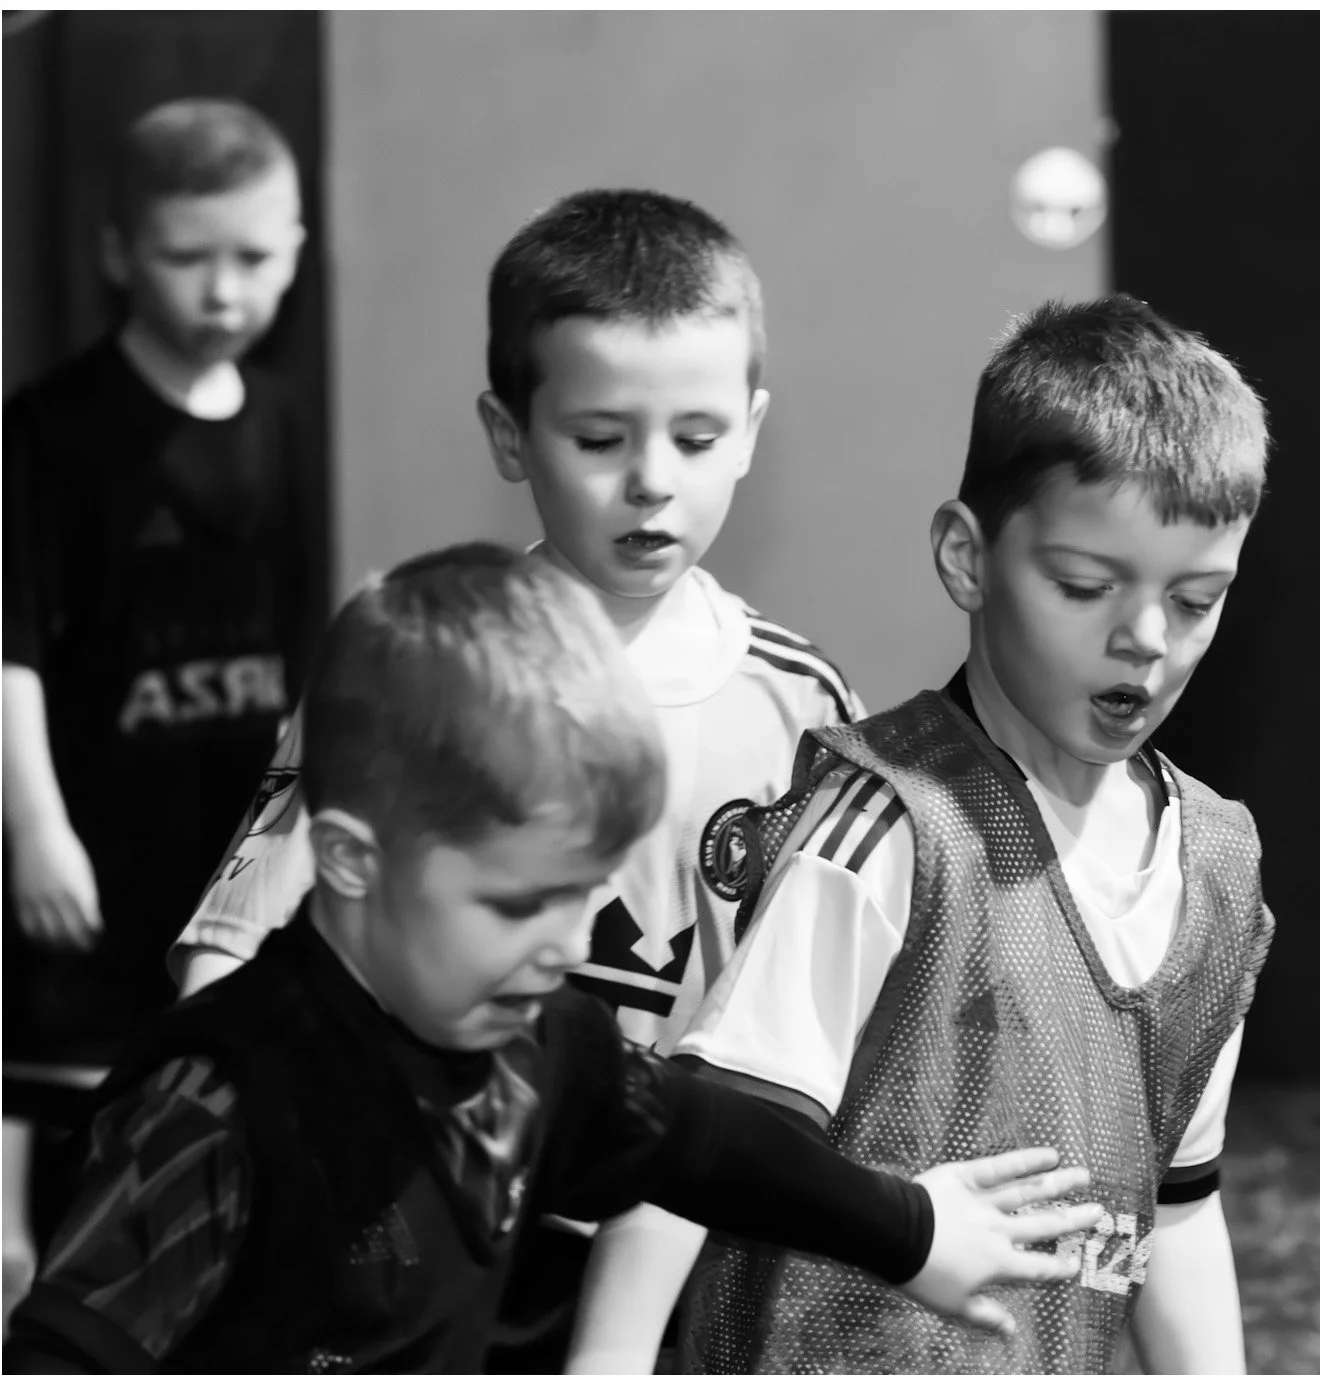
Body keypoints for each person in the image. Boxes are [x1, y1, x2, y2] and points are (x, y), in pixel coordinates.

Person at [2, 543, 1105, 1372]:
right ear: (346, 860)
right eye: (518, 899)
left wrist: (910, 1229)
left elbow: (695, 1136)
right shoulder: (214, 1103)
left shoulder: (536, 1042)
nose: (572, 942)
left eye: (587, 890)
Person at [163, 189, 865, 1361]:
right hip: (406, 1236)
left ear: (748, 430)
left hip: (674, 1257)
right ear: (508, 433)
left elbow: (772, 1051)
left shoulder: (804, 709)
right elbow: (231, 945)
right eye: (600, 439)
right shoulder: (416, 659)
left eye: (695, 438)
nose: (651, 479)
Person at [566, 295, 1276, 1374]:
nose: (1144, 638)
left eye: (1195, 598)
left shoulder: (1216, 865)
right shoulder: (885, 824)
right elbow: (707, 1150)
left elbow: (1175, 1209)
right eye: (1085, 586)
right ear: (965, 556)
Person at [2, 97, 316, 1328]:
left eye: (251, 256)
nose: (224, 290)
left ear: (294, 246)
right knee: (62, 1067)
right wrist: (33, 825)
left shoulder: (283, 418)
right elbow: (9, 646)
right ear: (121, 253)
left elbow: (300, 644)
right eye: (190, 258)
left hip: (227, 821)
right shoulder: (48, 430)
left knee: (202, 1061)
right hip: (88, 828)